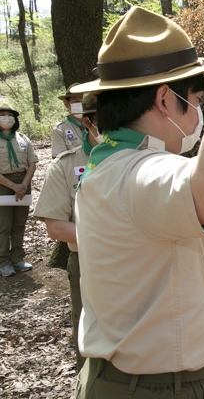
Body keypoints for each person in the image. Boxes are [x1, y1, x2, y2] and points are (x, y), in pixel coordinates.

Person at [69, 3, 204, 398]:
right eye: (197, 100)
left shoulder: (108, 167)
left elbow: (190, 235)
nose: (199, 112)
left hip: (121, 379)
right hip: (159, 387)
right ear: (166, 101)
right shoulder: (139, 175)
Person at [33, 93, 102, 370]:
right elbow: (56, 227)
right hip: (87, 262)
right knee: (88, 331)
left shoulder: (145, 157)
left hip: (142, 262)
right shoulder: (65, 165)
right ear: (88, 122)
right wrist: (113, 237)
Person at [0, 102, 38, 277]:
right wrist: (14, 186)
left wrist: (23, 185)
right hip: (3, 185)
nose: (7, 119)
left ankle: (17, 258)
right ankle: (3, 261)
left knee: (19, 223)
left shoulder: (23, 138)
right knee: (4, 225)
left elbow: (32, 163)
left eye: (10, 115)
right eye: (3, 115)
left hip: (23, 182)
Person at [52, 83, 85, 158]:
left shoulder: (96, 124)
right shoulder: (60, 129)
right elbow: (59, 159)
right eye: (76, 102)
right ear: (66, 103)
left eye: (83, 101)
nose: (80, 105)